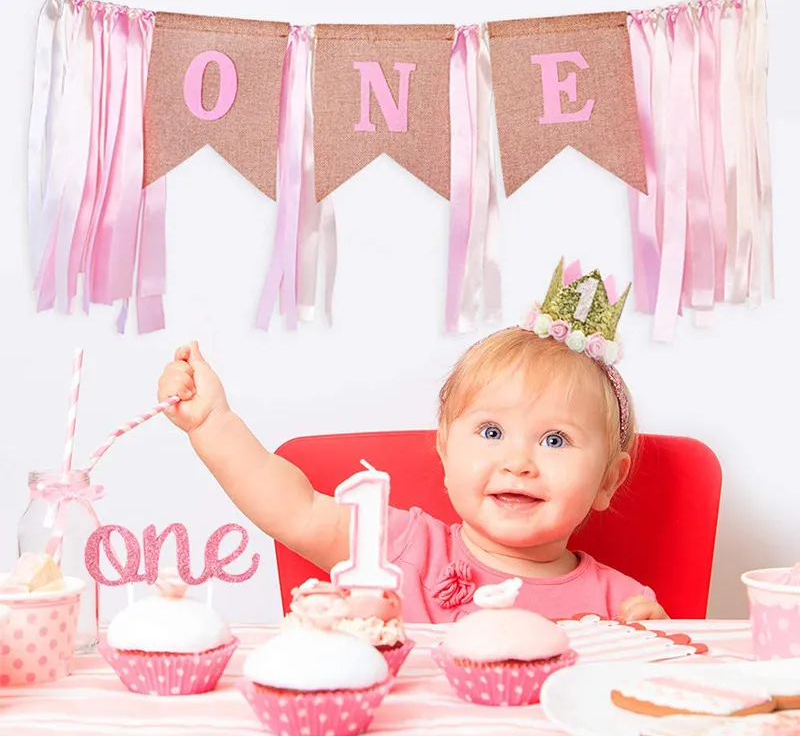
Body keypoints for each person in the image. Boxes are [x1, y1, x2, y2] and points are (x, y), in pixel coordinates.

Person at [157, 261, 667, 622]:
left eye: (555, 440)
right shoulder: (402, 547)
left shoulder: (621, 606)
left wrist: (648, 646)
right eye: (491, 432)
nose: (518, 462)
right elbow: (295, 509)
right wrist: (211, 424)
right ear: (444, 449)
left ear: (607, 479)